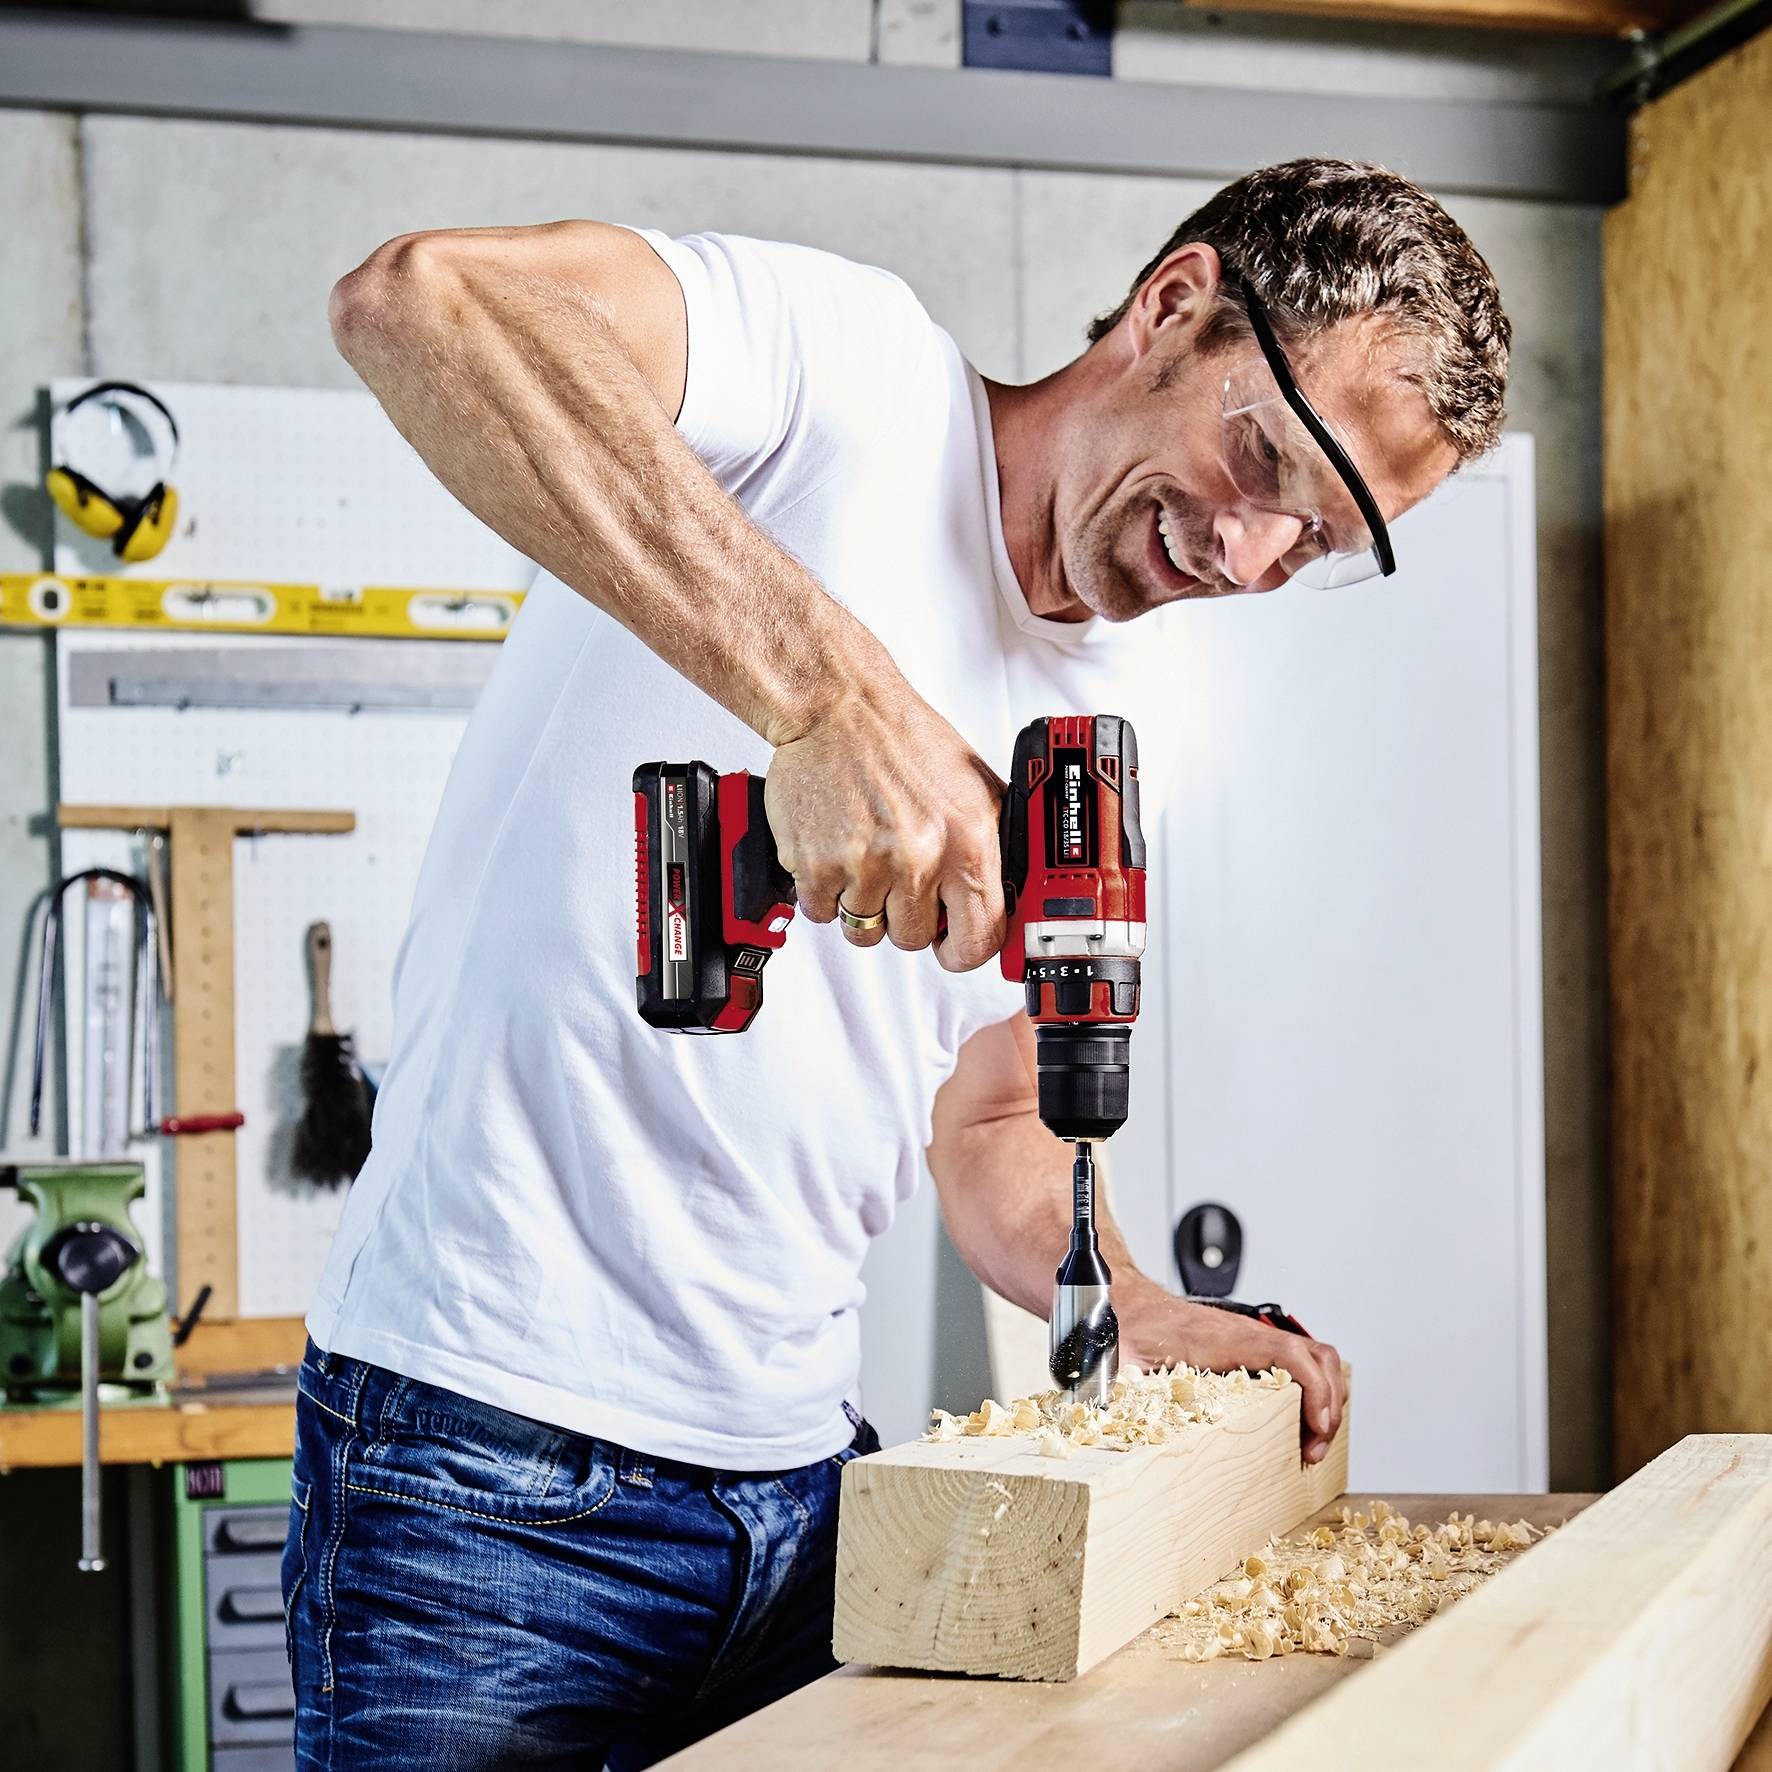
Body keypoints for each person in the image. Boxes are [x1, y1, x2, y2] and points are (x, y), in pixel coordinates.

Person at [283, 157, 1509, 1768]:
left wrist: (1122, 1300)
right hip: (487, 1478)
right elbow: (423, 303)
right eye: (1260, 455)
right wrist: (824, 699)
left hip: (812, 1495)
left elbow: (998, 1122)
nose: (1250, 549)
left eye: (1319, 539)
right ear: (1174, 309)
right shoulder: (845, 373)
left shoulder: (1120, 726)